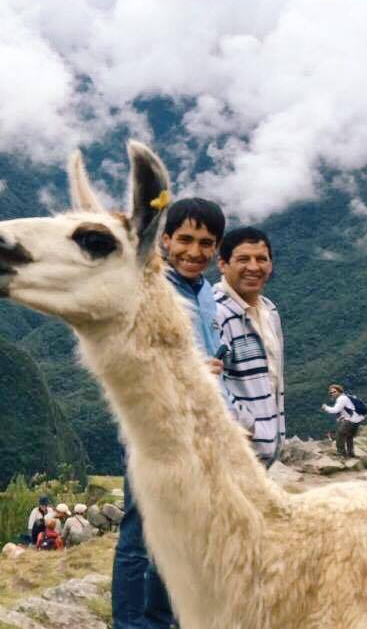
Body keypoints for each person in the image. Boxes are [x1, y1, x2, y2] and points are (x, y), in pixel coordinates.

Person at [114, 197, 231, 629]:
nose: (194, 251)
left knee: (181, 532)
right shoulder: (150, 289)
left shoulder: (205, 294)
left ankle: (166, 616)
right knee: (140, 532)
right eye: (185, 239)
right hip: (153, 423)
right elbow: (127, 355)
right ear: (165, 240)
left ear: (216, 249)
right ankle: (132, 623)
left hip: (196, 427)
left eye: (206, 243)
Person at [214, 227, 285, 466]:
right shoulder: (215, 313)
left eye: (261, 259)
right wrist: (249, 426)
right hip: (232, 454)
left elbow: (272, 379)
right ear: (223, 264)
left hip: (262, 456)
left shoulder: (269, 311)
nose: (254, 267)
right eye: (243, 259)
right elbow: (208, 383)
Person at [323, 384, 364, 458]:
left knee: (339, 435)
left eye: (334, 392)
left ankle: (341, 454)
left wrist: (326, 407)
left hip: (351, 421)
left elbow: (335, 410)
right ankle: (351, 453)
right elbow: (349, 410)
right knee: (349, 436)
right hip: (357, 420)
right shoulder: (346, 397)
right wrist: (342, 417)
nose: (332, 394)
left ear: (339, 391)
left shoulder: (341, 399)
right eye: (331, 393)